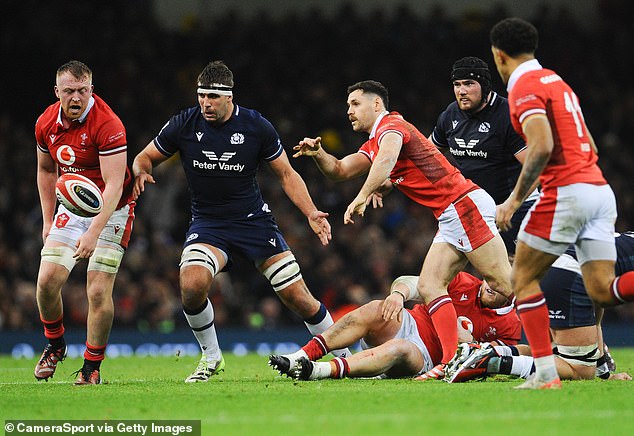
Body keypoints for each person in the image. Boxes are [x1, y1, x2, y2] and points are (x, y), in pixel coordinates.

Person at [132, 60, 349, 383]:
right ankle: (211, 356)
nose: (205, 103)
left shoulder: (256, 126)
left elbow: (287, 175)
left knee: (298, 298)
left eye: (213, 97)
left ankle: (346, 358)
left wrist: (311, 212)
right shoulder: (183, 124)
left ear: (229, 97)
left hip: (254, 224)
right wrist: (141, 169)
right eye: (201, 95)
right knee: (191, 285)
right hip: (208, 224)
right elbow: (145, 156)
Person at [293, 80, 513, 380]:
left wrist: (361, 196)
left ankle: (566, 327)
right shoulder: (375, 140)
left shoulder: (392, 125)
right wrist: (318, 154)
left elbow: (387, 160)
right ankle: (450, 363)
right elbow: (340, 169)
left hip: (463, 206)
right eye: (347, 105)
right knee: (430, 286)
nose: (349, 111)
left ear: (376, 105)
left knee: (506, 288)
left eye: (355, 104)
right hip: (451, 213)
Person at [489, 17, 634, 390]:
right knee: (602, 289)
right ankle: (547, 374)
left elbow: (541, 146)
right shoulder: (558, 83)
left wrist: (512, 201)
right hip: (599, 190)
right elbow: (591, 144)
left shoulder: (523, 88)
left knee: (521, 278)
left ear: (499, 55)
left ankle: (547, 376)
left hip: (567, 193)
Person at [33, 60, 135, 385]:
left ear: (91, 89)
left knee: (97, 289)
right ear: (57, 92)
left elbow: (115, 185)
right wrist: (47, 220)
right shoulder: (46, 122)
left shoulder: (108, 124)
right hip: (72, 206)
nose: (76, 97)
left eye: (82, 90)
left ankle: (91, 368)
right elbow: (47, 171)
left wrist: (93, 233)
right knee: (47, 282)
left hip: (113, 208)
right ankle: (55, 344)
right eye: (69, 91)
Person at [446, 232, 634, 383]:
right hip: (569, 278)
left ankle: (483, 351)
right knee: (581, 370)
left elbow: (597, 307)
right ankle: (490, 362)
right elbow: (611, 294)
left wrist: (604, 372)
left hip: (553, 269)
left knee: (554, 352)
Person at [269, 272, 520, 380]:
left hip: (427, 357)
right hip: (410, 320)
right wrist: (399, 295)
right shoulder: (464, 282)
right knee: (376, 308)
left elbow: (491, 362)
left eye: (501, 281)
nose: (492, 283)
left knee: (400, 347)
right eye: (491, 274)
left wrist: (470, 344)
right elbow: (411, 282)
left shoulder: (510, 324)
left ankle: (317, 371)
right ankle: (301, 356)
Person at [430, 56, 539, 256]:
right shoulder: (450, 115)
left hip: (516, 207)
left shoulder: (508, 115)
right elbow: (426, 155)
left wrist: (509, 206)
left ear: (485, 85)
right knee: (432, 283)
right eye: (457, 84)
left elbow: (535, 168)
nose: (461, 91)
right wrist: (389, 181)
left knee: (514, 277)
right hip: (474, 210)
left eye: (469, 84)